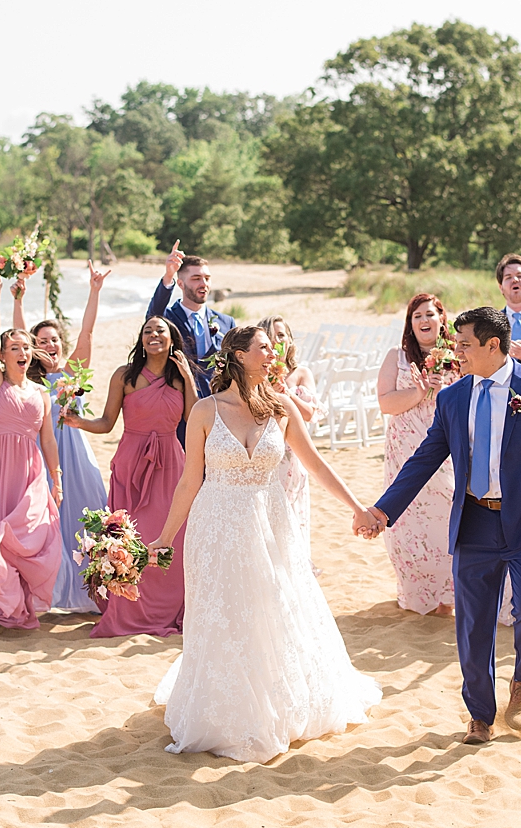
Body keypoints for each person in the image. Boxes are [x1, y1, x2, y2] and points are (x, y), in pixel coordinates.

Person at [364, 307, 521, 746]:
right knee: (473, 623)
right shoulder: (453, 397)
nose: (454, 350)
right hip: (475, 521)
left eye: (463, 344)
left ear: (492, 346)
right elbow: (424, 459)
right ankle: (480, 714)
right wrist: (384, 511)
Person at [146, 325, 382, 763]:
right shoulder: (204, 410)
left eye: (274, 348)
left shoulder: (282, 407)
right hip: (216, 524)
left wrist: (357, 506)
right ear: (237, 354)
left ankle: (275, 702)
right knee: (226, 612)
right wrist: (164, 538)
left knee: (274, 606)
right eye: (264, 347)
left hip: (272, 523)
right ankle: (227, 707)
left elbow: (316, 464)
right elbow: (188, 482)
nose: (273, 353)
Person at [65, 316, 198, 637]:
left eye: (160, 331)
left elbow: (194, 420)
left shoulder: (180, 379)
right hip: (130, 462)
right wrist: (78, 422)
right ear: (141, 339)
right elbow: (107, 422)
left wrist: (189, 378)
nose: (153, 335)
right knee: (131, 535)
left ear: (172, 340)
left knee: (171, 536)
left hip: (169, 463)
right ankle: (129, 607)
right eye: (148, 331)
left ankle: (167, 606)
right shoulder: (124, 376)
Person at [16, 264, 111, 614]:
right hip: (43, 455)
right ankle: (47, 591)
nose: (50, 345)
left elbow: (87, 331)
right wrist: (19, 298)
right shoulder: (29, 382)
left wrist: (94, 290)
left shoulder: (72, 372)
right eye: (42, 342)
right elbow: (15, 337)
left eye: (54, 340)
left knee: (89, 514)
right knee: (44, 523)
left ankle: (94, 588)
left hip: (76, 452)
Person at [0, 274, 63, 631]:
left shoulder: (41, 391)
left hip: (31, 471)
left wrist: (57, 478)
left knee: (33, 537)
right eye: (15, 348)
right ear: (3, 356)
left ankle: (25, 605)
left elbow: (50, 440)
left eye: (26, 347)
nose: (23, 352)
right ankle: (3, 610)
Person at [376, 293, 458, 617]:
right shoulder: (397, 357)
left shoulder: (459, 358)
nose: (424, 321)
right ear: (410, 324)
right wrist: (420, 392)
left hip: (445, 450)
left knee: (446, 518)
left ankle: (447, 596)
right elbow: (385, 404)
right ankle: (416, 594)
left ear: (441, 319)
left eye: (429, 315)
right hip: (404, 450)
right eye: (417, 316)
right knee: (408, 524)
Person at [258, 315, 321, 549]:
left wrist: (287, 393)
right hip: (268, 454)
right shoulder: (256, 377)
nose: (276, 341)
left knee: (294, 517)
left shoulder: (302, 373)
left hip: (296, 454)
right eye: (269, 337)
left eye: (281, 335)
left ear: (290, 339)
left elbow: (309, 414)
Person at [147, 242, 236, 400]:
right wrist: (168, 275)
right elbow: (153, 316)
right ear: (180, 284)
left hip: (217, 402)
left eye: (207, 278)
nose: (204, 284)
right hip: (178, 402)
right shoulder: (168, 319)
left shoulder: (226, 322)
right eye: (196, 279)